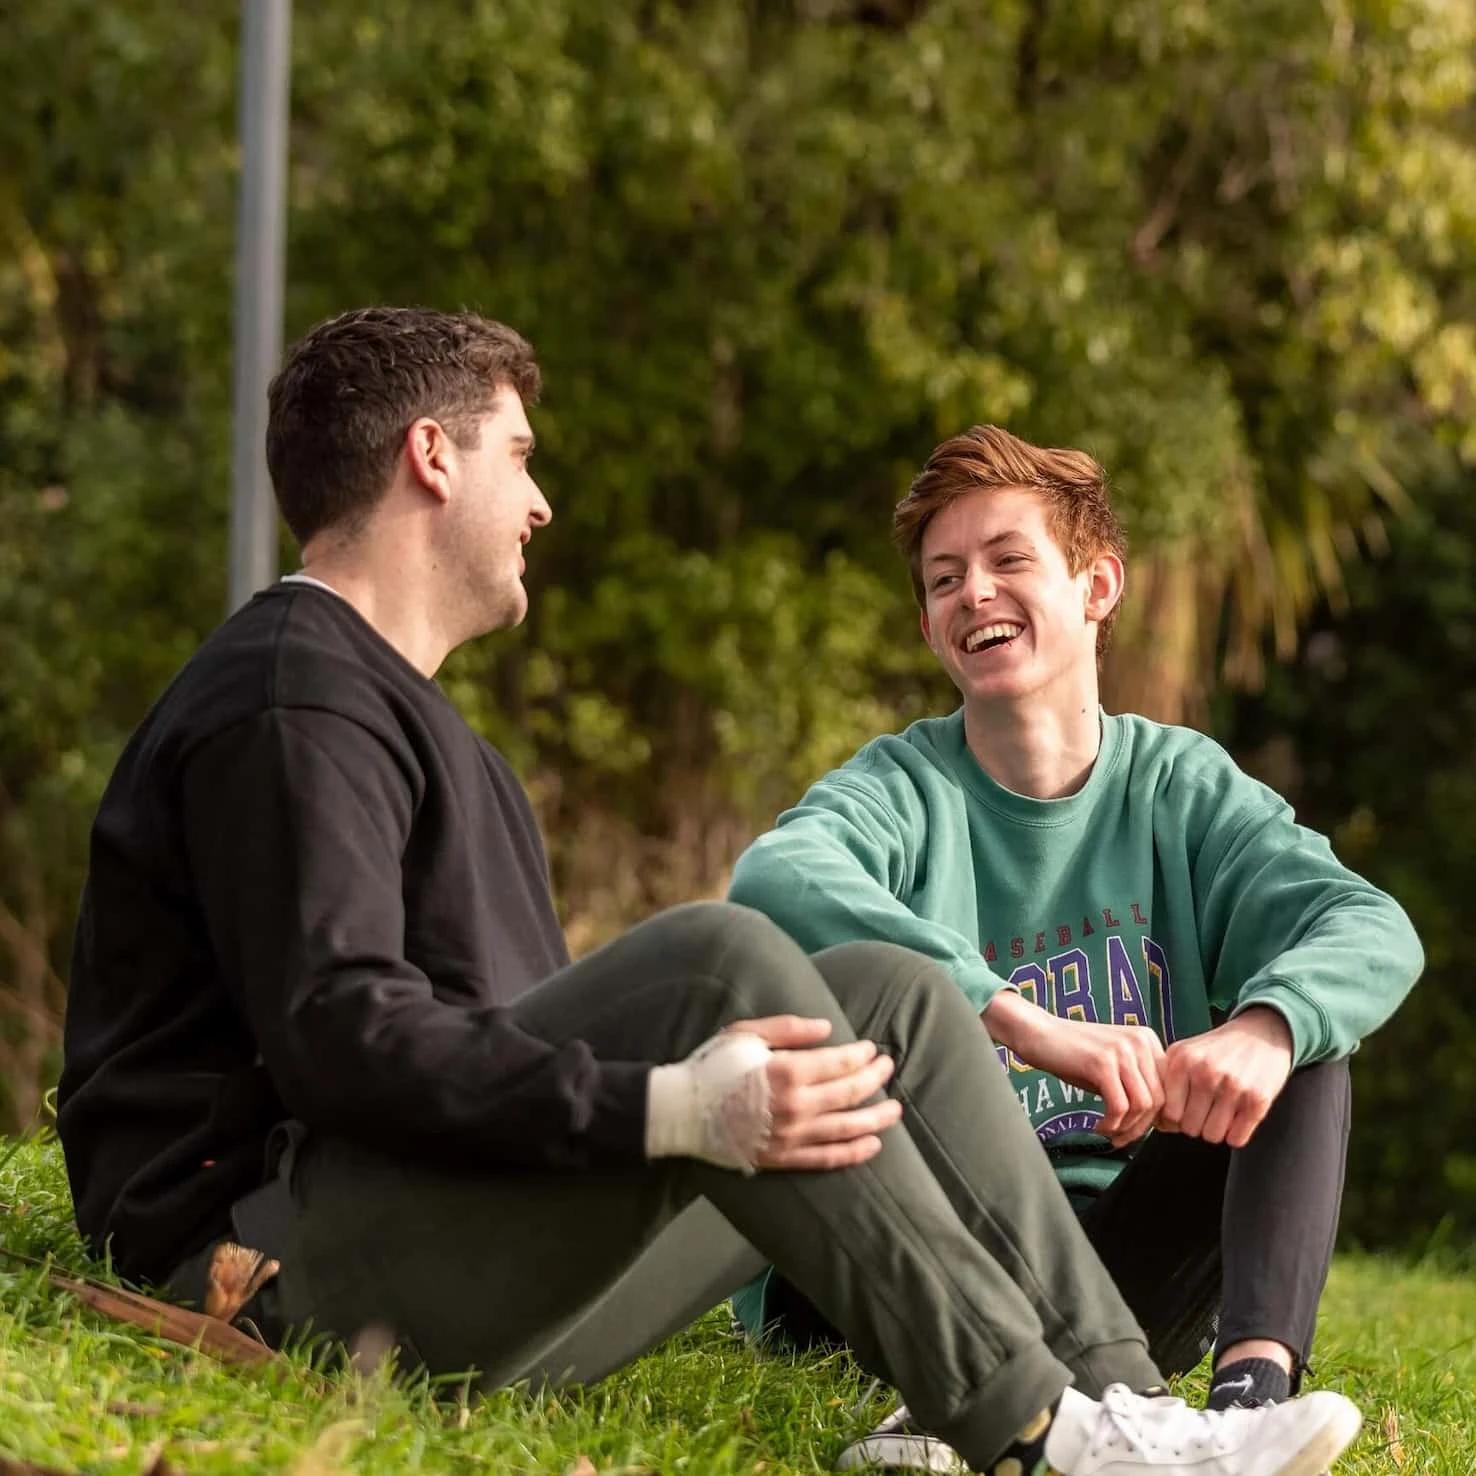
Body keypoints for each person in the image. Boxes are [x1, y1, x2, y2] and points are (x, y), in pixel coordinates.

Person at [59, 311, 1368, 1476]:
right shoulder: (298, 693)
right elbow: (343, 1037)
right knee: (717, 967)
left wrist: (671, 1108)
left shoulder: (428, 733)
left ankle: (1129, 1413)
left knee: (887, 994)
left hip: (449, 1265)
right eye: (519, 455)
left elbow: (493, 1044)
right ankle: (1033, 1428)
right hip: (267, 1276)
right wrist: (671, 1102)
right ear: (430, 455)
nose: (541, 503)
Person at [727, 424, 1422, 1465]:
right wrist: (1020, 1017)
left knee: (1304, 1043)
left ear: (1097, 588)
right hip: (893, 1258)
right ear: (928, 626)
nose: (974, 594)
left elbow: (1368, 925)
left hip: (1110, 1270)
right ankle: (974, 1392)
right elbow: (776, 876)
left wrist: (1265, 1030)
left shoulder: (1179, 786)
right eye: (945, 578)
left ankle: (1244, 1405)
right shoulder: (901, 788)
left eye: (1009, 561)